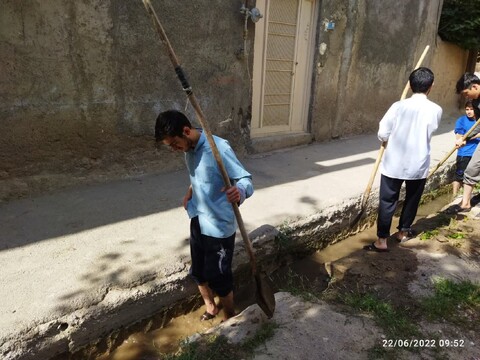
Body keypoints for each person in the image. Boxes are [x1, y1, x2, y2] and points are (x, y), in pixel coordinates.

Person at [154, 110, 253, 321]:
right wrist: (191, 192)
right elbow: (200, 174)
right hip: (198, 218)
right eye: (169, 146)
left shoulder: (218, 148)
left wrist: (241, 191)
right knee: (198, 271)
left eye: (174, 144)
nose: (173, 150)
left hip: (219, 226)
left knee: (219, 277)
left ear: (186, 131)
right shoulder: (187, 149)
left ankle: (229, 316)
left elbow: (245, 179)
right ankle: (211, 308)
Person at [364, 67, 442, 252]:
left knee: (387, 201)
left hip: (394, 163)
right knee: (412, 200)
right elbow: (431, 130)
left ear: (410, 84)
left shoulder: (398, 106)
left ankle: (381, 240)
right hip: (418, 163)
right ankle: (403, 233)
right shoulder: (436, 110)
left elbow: (383, 133)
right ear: (431, 86)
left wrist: (386, 138)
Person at [449, 73, 480, 212]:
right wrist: (464, 139)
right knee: (472, 168)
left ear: (475, 87)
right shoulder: (475, 103)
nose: (466, 97)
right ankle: (465, 203)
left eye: (466, 93)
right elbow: (478, 125)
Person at [451, 101, 479, 198]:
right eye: (467, 109)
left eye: (471, 109)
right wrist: (466, 138)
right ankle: (454, 196)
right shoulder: (461, 120)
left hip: (476, 154)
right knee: (459, 175)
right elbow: (459, 136)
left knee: (471, 177)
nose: (469, 112)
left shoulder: (478, 121)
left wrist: (470, 137)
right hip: (465, 153)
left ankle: (466, 196)